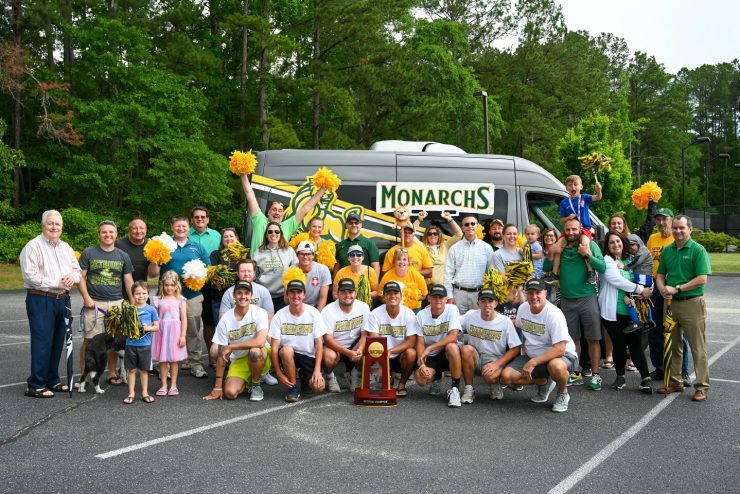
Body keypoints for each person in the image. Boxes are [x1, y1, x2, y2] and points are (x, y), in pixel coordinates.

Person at [20, 210, 82, 398]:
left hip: (61, 300)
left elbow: (77, 270)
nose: (54, 227)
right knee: (42, 341)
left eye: (58, 224)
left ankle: (52, 380)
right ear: (43, 225)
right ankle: (36, 384)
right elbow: (30, 275)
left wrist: (72, 278)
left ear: (61, 228)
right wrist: (56, 282)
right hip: (41, 298)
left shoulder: (65, 247)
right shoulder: (33, 246)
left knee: (57, 341)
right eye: (50, 224)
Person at [500, 278, 579, 413]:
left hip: (564, 355)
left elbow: (560, 349)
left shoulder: (554, 314)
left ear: (545, 294)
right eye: (530, 293)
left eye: (538, 293)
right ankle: (544, 382)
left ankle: (562, 393)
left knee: (556, 367)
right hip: (533, 355)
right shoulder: (523, 308)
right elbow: (523, 330)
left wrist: (533, 362)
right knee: (507, 377)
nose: (534, 297)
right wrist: (524, 353)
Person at [656, 215, 712, 402]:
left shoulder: (698, 250)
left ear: (690, 229)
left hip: (692, 303)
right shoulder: (668, 250)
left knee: (697, 347)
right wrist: (663, 289)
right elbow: (660, 275)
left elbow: (702, 278)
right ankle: (675, 382)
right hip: (671, 304)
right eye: (676, 228)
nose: (678, 231)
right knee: (673, 345)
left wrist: (677, 288)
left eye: (682, 228)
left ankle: (702, 387)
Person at [78, 220, 135, 385]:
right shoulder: (89, 253)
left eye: (111, 232)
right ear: (99, 234)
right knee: (89, 340)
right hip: (95, 303)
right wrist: (86, 298)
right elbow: (80, 277)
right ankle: (83, 375)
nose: (108, 235)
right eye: (104, 232)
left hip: (117, 303)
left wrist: (133, 304)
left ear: (116, 235)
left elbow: (128, 280)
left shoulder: (122, 255)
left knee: (113, 341)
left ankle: (111, 373)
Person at [598, 231, 653, 393]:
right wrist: (641, 289)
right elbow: (617, 280)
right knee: (619, 345)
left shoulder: (631, 260)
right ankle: (620, 376)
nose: (616, 245)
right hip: (613, 311)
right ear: (607, 247)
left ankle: (645, 378)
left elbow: (645, 276)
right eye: (611, 243)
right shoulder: (607, 261)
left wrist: (646, 290)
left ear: (623, 242)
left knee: (636, 345)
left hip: (633, 311)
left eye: (618, 241)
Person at [160, 215, 211, 379]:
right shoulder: (165, 247)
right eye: (177, 226)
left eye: (183, 226)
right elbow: (153, 271)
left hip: (192, 296)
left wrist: (197, 279)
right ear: (172, 228)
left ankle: (195, 363)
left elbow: (208, 271)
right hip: (169, 297)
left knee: (192, 331)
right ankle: (166, 365)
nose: (181, 229)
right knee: (167, 330)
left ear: (189, 227)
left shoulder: (197, 247)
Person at [557, 218, 606, 390]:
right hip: (567, 299)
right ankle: (575, 372)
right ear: (564, 230)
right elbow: (549, 265)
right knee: (572, 339)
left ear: (580, 230)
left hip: (587, 297)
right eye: (568, 229)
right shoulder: (561, 246)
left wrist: (587, 254)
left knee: (593, 337)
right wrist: (553, 251)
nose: (571, 232)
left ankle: (596, 375)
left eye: (574, 229)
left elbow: (602, 267)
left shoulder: (590, 245)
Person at [203, 280, 271, 402]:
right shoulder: (225, 319)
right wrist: (218, 387)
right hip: (239, 358)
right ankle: (248, 379)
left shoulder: (260, 313)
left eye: (246, 293)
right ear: (234, 296)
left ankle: (256, 385)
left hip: (261, 354)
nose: (243, 296)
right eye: (239, 293)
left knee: (255, 352)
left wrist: (232, 347)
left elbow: (260, 342)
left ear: (251, 296)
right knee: (230, 393)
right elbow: (221, 353)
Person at [646, 208, 691, 386]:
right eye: (659, 220)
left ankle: (683, 371)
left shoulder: (677, 238)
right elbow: (648, 262)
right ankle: (660, 367)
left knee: (678, 331)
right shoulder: (652, 239)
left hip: (675, 288)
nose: (662, 223)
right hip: (657, 289)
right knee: (655, 329)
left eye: (665, 219)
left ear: (672, 221)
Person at [216, 259, 276, 386]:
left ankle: (263, 372)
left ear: (254, 273)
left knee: (263, 347)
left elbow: (270, 319)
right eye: (243, 271)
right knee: (213, 351)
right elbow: (223, 319)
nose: (246, 274)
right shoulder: (228, 293)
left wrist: (262, 334)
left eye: (249, 271)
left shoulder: (263, 292)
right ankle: (236, 371)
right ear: (237, 273)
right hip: (237, 332)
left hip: (258, 333)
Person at [460, 288, 522, 404]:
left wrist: (497, 363)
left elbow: (515, 348)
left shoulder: (505, 321)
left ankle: (495, 383)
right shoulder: (470, 315)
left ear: (496, 303)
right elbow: (453, 325)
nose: (487, 304)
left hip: (494, 358)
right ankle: (469, 389)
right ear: (478, 303)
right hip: (476, 356)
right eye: (483, 301)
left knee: (490, 377)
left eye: (490, 301)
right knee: (466, 349)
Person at [240, 173, 327, 255]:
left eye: (280, 210)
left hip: (280, 269)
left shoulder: (288, 226)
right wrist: (243, 174)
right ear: (268, 213)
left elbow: (306, 208)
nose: (277, 212)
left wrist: (323, 189)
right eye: (274, 209)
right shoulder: (259, 220)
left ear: (283, 215)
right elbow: (249, 194)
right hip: (257, 268)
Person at [270, 279, 327, 402]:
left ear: (304, 295)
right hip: (289, 355)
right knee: (286, 350)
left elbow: (319, 344)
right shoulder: (279, 315)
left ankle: (304, 378)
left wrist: (317, 370)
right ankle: (294, 386)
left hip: (308, 356)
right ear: (287, 295)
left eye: (299, 292)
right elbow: (274, 348)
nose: (296, 296)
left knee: (318, 387)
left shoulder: (314, 313)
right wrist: (279, 373)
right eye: (292, 292)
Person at [413, 285, 463, 407]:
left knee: (451, 346)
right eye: (434, 297)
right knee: (421, 379)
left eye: (441, 297)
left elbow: (453, 336)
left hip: (447, 353)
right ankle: (436, 377)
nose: (438, 300)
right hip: (432, 356)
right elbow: (419, 341)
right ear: (429, 299)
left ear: (446, 299)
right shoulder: (421, 315)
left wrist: (429, 348)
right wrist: (422, 364)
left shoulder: (452, 310)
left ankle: (455, 390)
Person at [367, 281, 419, 397]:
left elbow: (411, 341)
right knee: (378, 391)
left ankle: (401, 384)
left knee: (411, 353)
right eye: (388, 293)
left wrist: (391, 351)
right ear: (384, 297)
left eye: (395, 293)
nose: (392, 296)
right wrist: (382, 354)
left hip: (399, 355)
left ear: (401, 296)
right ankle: (386, 377)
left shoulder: (409, 314)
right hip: (381, 354)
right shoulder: (375, 314)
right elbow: (374, 340)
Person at [321, 278, 371, 392]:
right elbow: (327, 339)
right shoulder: (327, 311)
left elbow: (365, 333)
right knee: (328, 357)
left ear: (355, 293)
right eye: (343, 292)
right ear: (337, 294)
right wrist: (347, 352)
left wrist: (360, 349)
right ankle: (330, 376)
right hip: (335, 347)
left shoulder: (364, 307)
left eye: (350, 292)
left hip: (355, 344)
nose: (347, 295)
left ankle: (355, 375)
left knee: (371, 349)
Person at [204, 227, 240, 366]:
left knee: (237, 330)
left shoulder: (242, 255)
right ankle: (221, 362)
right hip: (218, 299)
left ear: (236, 238)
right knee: (222, 331)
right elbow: (215, 275)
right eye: (226, 237)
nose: (229, 239)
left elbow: (245, 274)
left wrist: (225, 273)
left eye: (231, 236)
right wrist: (233, 274)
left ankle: (236, 361)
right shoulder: (215, 254)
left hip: (238, 299)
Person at [444, 215, 495, 314]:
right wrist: (450, 296)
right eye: (466, 224)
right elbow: (448, 274)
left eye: (473, 224)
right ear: (462, 228)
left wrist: (488, 297)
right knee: (458, 326)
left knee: (477, 325)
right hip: (459, 294)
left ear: (477, 226)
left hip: (479, 294)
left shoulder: (487, 248)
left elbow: (492, 274)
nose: (470, 226)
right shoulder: (454, 248)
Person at [123, 281, 159, 404]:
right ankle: (131, 393)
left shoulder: (151, 310)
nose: (141, 296)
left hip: (144, 345)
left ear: (148, 294)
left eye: (144, 293)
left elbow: (157, 327)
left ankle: (145, 393)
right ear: (133, 295)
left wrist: (147, 327)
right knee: (132, 370)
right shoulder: (129, 310)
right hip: (130, 344)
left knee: (144, 370)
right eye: (137, 293)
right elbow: (124, 327)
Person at [152, 271, 188, 396]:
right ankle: (163, 385)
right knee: (162, 360)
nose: (169, 288)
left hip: (175, 333)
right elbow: (156, 317)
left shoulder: (180, 300)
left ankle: (173, 385)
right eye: (166, 285)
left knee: (173, 360)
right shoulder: (158, 300)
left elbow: (183, 318)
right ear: (163, 285)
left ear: (176, 285)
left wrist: (183, 335)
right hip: (162, 333)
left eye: (172, 285)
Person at [252, 222, 298, 311]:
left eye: (277, 231)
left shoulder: (289, 250)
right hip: (264, 295)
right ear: (266, 235)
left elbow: (295, 271)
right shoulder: (258, 252)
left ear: (280, 234)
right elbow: (254, 274)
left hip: (283, 295)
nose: (273, 234)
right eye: (270, 232)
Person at [414, 211, 462, 287]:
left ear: (439, 235)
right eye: (430, 234)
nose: (433, 235)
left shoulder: (445, 245)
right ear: (426, 236)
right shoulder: (422, 247)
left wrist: (449, 219)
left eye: (435, 233)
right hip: (425, 288)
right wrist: (419, 220)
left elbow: (459, 234)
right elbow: (410, 236)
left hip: (442, 288)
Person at [115, 217, 158, 287]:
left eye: (141, 228)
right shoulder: (118, 245)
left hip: (141, 291)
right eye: (135, 228)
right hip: (119, 291)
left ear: (146, 230)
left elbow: (153, 275)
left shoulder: (151, 246)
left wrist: (155, 259)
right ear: (129, 230)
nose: (138, 231)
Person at [295, 241, 331, 310]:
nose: (305, 257)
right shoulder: (291, 270)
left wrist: (318, 314)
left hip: (315, 306)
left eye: (308, 254)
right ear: (297, 255)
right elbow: (287, 298)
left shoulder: (323, 270)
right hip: (296, 306)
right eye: (302, 254)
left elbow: (323, 297)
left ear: (313, 255)